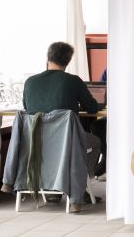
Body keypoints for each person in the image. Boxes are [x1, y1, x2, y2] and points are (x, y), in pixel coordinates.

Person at [19, 42, 103, 185]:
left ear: (47, 58)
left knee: (53, 148)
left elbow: (27, 108)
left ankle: (52, 186)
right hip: (65, 139)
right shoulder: (73, 81)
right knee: (95, 142)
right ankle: (79, 185)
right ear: (68, 61)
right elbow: (92, 108)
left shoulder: (30, 82)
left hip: (34, 140)